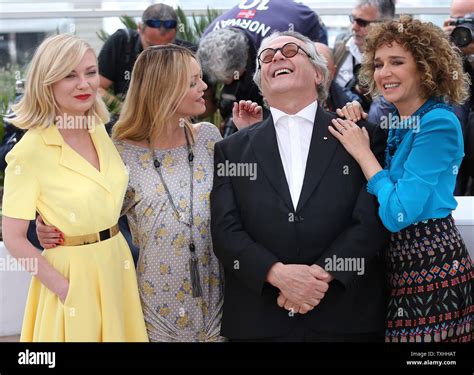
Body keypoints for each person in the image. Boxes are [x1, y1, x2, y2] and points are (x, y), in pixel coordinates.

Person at [36, 44, 245, 342]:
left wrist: (247, 134)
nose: (203, 87)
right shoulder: (120, 152)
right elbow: (92, 214)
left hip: (218, 304)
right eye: (192, 81)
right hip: (155, 308)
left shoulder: (209, 139)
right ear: (165, 88)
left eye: (201, 78)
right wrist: (47, 226)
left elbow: (244, 203)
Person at [210, 31, 390, 342]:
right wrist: (279, 275)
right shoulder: (231, 149)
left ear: (319, 73)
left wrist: (319, 278)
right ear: (262, 85)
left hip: (347, 318)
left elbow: (372, 221)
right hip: (260, 321)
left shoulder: (361, 135)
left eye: (290, 50)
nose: (277, 57)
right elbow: (225, 231)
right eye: (267, 56)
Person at [329, 16, 473, 342]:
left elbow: (398, 214)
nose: (384, 73)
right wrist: (356, 117)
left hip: (433, 271)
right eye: (378, 64)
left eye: (397, 62)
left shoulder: (439, 123)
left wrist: (363, 152)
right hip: (399, 273)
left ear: (425, 67)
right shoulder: (394, 119)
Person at [1, 34, 148, 342]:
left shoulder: (99, 131)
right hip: (71, 278)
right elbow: (13, 239)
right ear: (47, 82)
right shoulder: (29, 153)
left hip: (116, 265)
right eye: (70, 75)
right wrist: (65, 289)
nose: (84, 84)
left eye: (90, 72)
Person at [197, 0, 327, 135]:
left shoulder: (273, 43)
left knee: (313, 70)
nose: (227, 83)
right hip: (263, 19)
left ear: (247, 56)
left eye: (231, 75)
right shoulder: (206, 43)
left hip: (305, 21)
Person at [98, 3, 196, 101]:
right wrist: (125, 111)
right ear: (140, 29)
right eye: (151, 46)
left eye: (166, 48)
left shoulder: (187, 53)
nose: (159, 54)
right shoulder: (121, 43)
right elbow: (98, 88)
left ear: (175, 35)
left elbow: (204, 97)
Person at [333, 0, 395, 111]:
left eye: (362, 22)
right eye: (353, 19)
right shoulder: (341, 44)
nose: (353, 27)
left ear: (385, 24)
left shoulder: (396, 56)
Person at [444, 0, 474, 195]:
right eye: (456, 21)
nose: (462, 28)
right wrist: (445, 50)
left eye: (469, 21)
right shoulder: (444, 55)